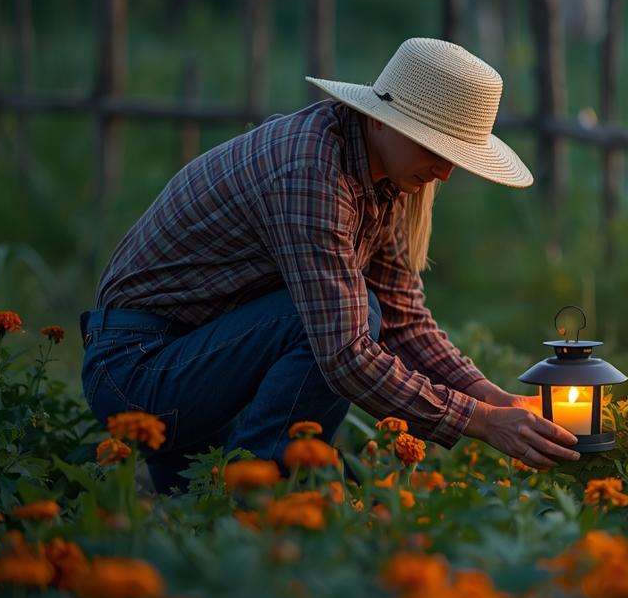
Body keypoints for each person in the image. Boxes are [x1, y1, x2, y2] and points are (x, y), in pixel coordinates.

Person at [79, 37, 580, 493]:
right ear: (384, 120)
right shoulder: (311, 173)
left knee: (194, 527)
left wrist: (495, 399)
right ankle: (261, 492)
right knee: (349, 313)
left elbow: (406, 319)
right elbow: (344, 355)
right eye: (435, 149)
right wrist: (480, 422)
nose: (445, 172)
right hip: (140, 371)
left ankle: (254, 487)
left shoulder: (379, 179)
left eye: (458, 158)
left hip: (205, 369)